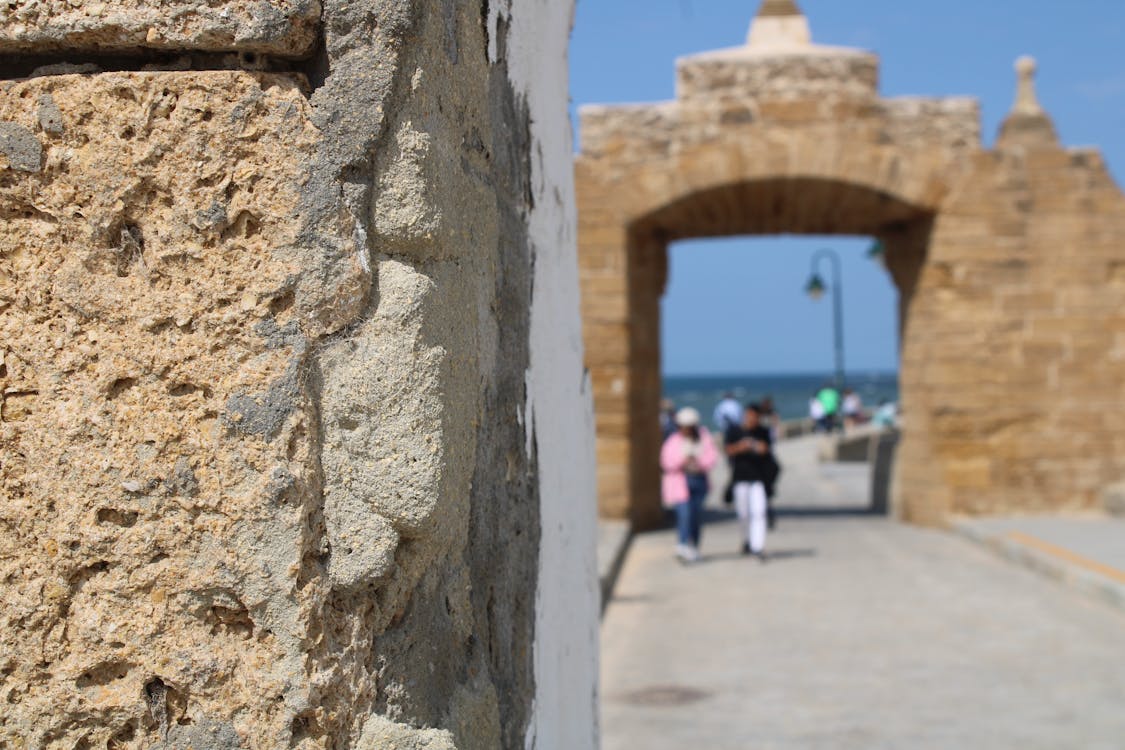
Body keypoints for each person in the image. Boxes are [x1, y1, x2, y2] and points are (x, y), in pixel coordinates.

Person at [660, 407, 718, 562]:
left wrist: (699, 463)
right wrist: (683, 461)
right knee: (684, 514)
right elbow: (666, 461)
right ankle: (682, 544)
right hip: (681, 482)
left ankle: (694, 546)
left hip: (699, 481)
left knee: (695, 516)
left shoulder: (704, 437)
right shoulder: (673, 440)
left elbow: (712, 457)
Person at [725, 403, 774, 561]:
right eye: (749, 415)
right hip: (740, 478)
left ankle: (758, 546)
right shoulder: (735, 431)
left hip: (758, 478)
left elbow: (766, 450)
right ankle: (746, 540)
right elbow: (728, 450)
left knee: (759, 512)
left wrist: (754, 445)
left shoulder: (763, 432)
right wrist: (741, 447)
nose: (751, 418)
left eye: (754, 416)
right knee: (743, 514)